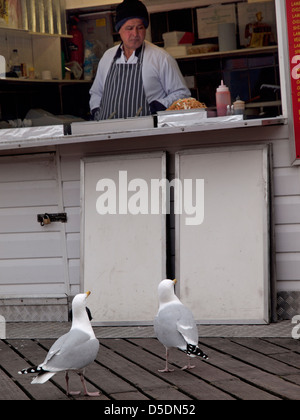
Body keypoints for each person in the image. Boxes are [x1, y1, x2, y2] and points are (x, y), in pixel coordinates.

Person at [89, 0, 191, 121]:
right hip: (109, 133)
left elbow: (182, 94)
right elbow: (96, 93)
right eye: (129, 28)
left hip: (147, 134)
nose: (135, 34)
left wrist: (159, 105)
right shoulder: (107, 57)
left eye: (140, 28)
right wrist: (96, 110)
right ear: (119, 30)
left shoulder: (161, 58)